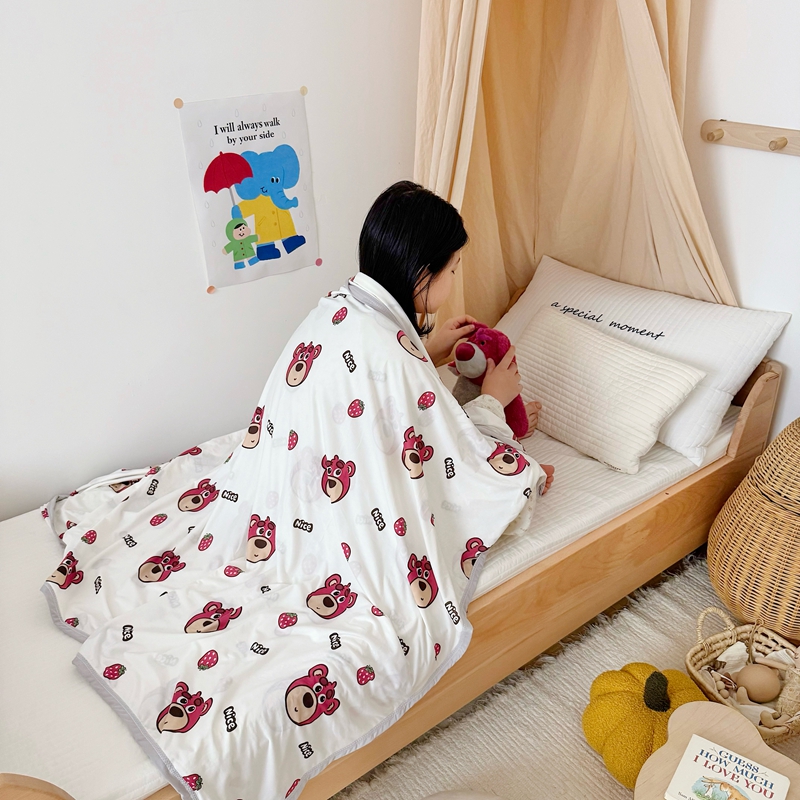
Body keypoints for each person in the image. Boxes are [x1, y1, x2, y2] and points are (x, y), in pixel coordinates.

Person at [358, 180, 555, 494]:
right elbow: (443, 456)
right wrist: (493, 402)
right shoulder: (390, 353)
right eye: (452, 270)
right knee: (519, 482)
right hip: (368, 484)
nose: (453, 279)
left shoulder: (354, 312)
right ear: (422, 272)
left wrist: (427, 352)